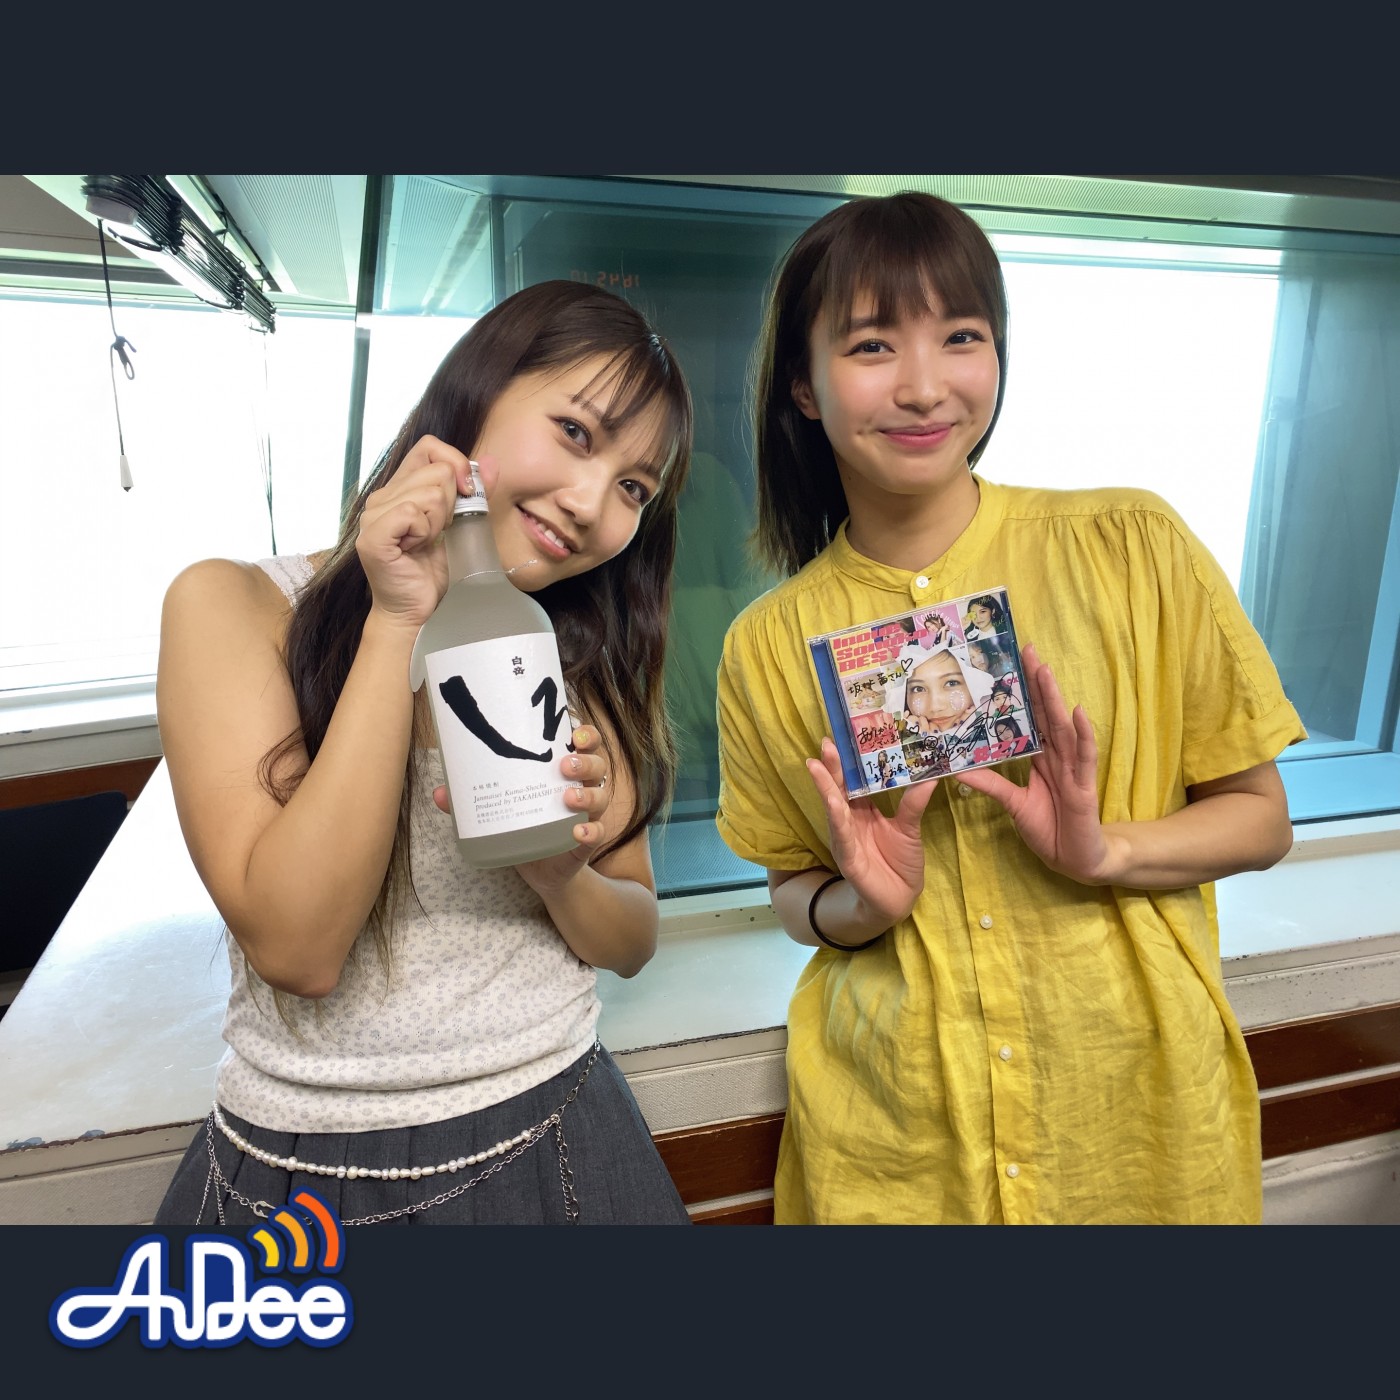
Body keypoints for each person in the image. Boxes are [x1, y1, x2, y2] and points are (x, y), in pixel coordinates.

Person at [715, 192, 1304, 1224]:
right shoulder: (765, 645)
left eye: (961, 336)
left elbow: (1261, 818)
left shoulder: (1133, 544)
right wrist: (863, 906)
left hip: (1132, 1128)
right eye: (870, 345)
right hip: (898, 1140)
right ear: (802, 385)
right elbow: (792, 889)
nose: (923, 386)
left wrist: (1104, 852)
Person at [154, 280, 694, 1226]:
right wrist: (398, 618)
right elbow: (298, 949)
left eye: (633, 489)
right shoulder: (234, 605)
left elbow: (632, 939)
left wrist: (561, 876)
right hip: (299, 1173)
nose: (589, 503)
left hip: (559, 1130)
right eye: (576, 432)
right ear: (474, 393)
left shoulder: (575, 653)